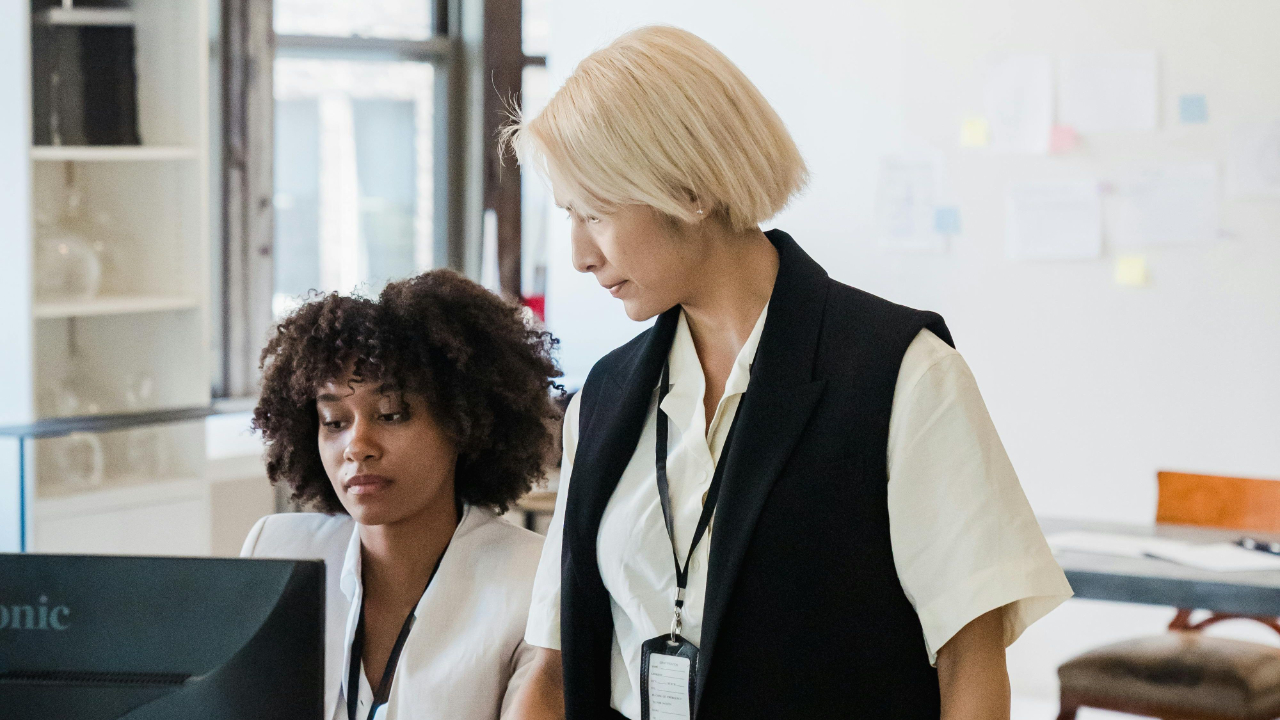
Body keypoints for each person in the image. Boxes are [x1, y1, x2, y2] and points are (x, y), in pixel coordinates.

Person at [501, 26, 1073, 720]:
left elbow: (970, 663)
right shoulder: (606, 398)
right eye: (568, 216)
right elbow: (552, 665)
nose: (579, 255)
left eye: (594, 213)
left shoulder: (903, 375)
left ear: (687, 188)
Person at [241, 270, 562, 720]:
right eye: (334, 421)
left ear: (462, 424)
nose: (357, 446)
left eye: (391, 415)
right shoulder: (277, 552)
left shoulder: (532, 582)